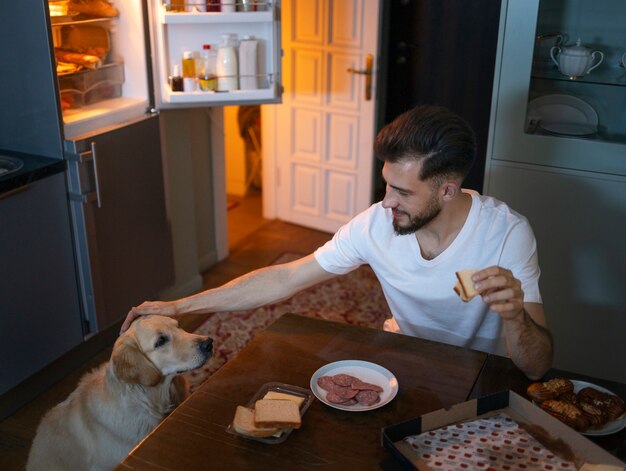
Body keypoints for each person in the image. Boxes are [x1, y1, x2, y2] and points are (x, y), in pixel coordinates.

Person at [122, 105, 553, 379]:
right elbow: (285, 278)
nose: (386, 203)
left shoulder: (507, 234)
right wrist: (179, 307)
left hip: (482, 371)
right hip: (405, 355)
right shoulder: (375, 225)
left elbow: (537, 366)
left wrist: (514, 316)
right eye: (386, 185)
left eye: (402, 192)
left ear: (447, 190)